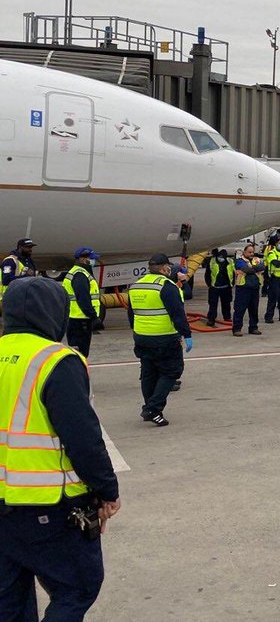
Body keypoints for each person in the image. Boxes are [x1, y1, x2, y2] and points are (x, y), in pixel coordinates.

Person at [0, 277, 121, 620]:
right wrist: (106, 490)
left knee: (9, 597)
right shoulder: (55, 360)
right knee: (78, 586)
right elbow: (82, 435)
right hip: (48, 503)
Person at [128, 254, 192, 426]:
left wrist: (138, 332)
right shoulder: (166, 286)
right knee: (172, 371)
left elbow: (131, 314)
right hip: (164, 337)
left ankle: (152, 409)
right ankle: (152, 408)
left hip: (141, 337)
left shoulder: (136, 286)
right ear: (165, 268)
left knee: (149, 374)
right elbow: (177, 314)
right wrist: (187, 334)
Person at [62, 247, 102, 357]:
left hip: (76, 318)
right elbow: (83, 298)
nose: (94, 261)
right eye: (91, 258)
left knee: (78, 352)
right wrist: (93, 317)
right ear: (83, 259)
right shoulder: (80, 275)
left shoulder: (79, 272)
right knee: (80, 353)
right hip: (80, 320)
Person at [232, 244, 265, 336]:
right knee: (240, 310)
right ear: (244, 252)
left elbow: (262, 267)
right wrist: (254, 269)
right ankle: (237, 329)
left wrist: (251, 269)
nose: (251, 254)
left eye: (252, 252)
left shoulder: (256, 260)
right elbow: (245, 269)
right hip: (243, 288)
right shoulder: (240, 261)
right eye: (249, 252)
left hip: (254, 288)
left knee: (254, 309)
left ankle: (253, 327)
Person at [0, 238, 37, 315]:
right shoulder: (10, 261)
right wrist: (26, 276)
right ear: (20, 247)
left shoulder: (29, 260)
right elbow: (6, 280)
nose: (30, 249)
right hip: (10, 298)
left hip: (24, 298)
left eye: (31, 247)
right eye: (28, 247)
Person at [204, 248, 235, 325]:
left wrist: (232, 284)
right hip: (214, 287)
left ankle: (227, 317)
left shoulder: (230, 261)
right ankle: (211, 319)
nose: (221, 258)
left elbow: (233, 273)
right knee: (213, 304)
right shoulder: (212, 261)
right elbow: (207, 274)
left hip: (226, 287)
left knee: (226, 303)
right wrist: (209, 284)